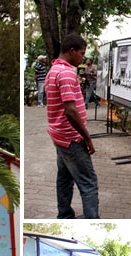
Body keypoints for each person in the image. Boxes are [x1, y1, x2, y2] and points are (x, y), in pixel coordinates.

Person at [45, 33, 99, 219]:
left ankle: (65, 214)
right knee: (88, 182)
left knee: (65, 178)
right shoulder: (67, 73)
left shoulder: (53, 70)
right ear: (71, 51)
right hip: (71, 138)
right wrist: (87, 137)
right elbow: (70, 111)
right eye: (82, 53)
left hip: (59, 136)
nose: (83, 57)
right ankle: (92, 219)